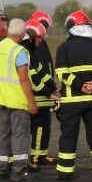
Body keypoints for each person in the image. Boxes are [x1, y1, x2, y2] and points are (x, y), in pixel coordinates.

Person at [54, 10, 92, 182]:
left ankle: (65, 172)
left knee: (68, 135)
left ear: (71, 27)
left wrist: (80, 86)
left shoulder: (64, 48)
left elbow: (61, 74)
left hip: (72, 102)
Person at [0, 18, 40, 180]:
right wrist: (31, 102)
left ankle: (1, 169)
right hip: (17, 101)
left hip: (2, 98)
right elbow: (24, 79)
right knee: (20, 135)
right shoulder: (19, 52)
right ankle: (19, 170)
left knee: (3, 134)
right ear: (21, 34)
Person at [22, 21, 59, 173]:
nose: (40, 41)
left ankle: (40, 156)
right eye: (38, 38)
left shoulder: (30, 52)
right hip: (32, 97)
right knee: (37, 128)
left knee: (43, 128)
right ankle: (34, 160)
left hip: (38, 96)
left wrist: (54, 87)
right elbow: (34, 80)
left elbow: (41, 73)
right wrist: (50, 93)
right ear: (30, 38)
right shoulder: (24, 52)